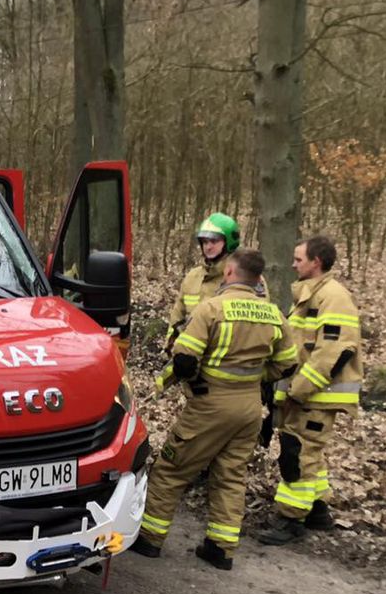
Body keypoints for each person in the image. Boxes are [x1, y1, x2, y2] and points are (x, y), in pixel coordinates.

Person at [133, 248, 298, 569]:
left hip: (209, 406)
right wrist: (255, 378)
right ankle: (221, 548)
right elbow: (288, 364)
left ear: (229, 273)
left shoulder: (212, 309)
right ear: (258, 279)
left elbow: (184, 360)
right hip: (250, 409)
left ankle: (150, 539)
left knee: (172, 469)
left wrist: (190, 380)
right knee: (231, 477)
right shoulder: (274, 314)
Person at [258, 236, 363, 545]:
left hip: (315, 395)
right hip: (308, 393)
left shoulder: (333, 296)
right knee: (309, 451)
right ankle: (317, 510)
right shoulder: (312, 294)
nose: (293, 264)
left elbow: (333, 351)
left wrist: (298, 390)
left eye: (299, 259)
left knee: (297, 453)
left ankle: (290, 519)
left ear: (316, 262)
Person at [164, 213, 241, 354]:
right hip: (189, 358)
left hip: (226, 359)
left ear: (229, 242)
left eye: (214, 241)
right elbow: (177, 315)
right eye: (205, 242)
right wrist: (170, 347)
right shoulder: (193, 276)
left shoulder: (244, 276)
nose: (208, 247)